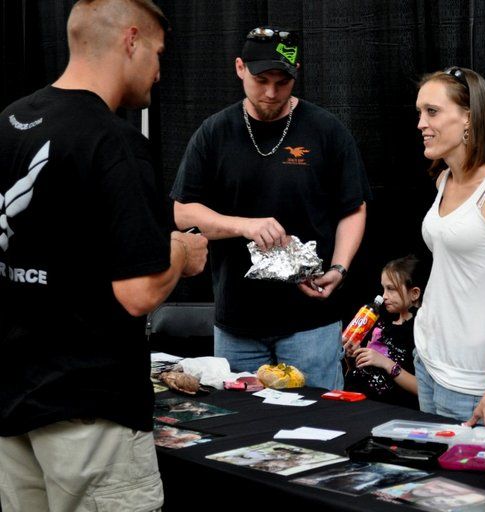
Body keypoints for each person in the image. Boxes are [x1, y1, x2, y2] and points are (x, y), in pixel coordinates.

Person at [0, 1, 208, 511]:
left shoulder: (10, 121)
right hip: (90, 412)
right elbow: (138, 292)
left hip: (14, 400)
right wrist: (182, 252)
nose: (159, 72)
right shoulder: (114, 141)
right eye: (158, 53)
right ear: (131, 41)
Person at [171, 26, 371, 390]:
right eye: (261, 80)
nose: (271, 93)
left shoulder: (326, 130)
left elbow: (353, 208)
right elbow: (183, 213)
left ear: (297, 74)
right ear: (239, 68)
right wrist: (244, 226)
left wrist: (340, 267)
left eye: (282, 82)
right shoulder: (214, 132)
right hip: (238, 324)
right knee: (244, 423)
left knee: (318, 419)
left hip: (311, 322)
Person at [413, 66, 485, 426]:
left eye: (432, 112)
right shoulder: (443, 180)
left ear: (468, 116)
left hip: (471, 376)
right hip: (428, 359)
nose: (421, 123)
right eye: (420, 112)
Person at [345, 255, 425, 408]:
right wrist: (353, 358)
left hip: (389, 409)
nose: (384, 296)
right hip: (356, 401)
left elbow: (424, 390)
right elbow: (359, 371)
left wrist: (386, 363)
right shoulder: (381, 322)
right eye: (384, 288)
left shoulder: (420, 332)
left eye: (391, 289)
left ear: (414, 293)